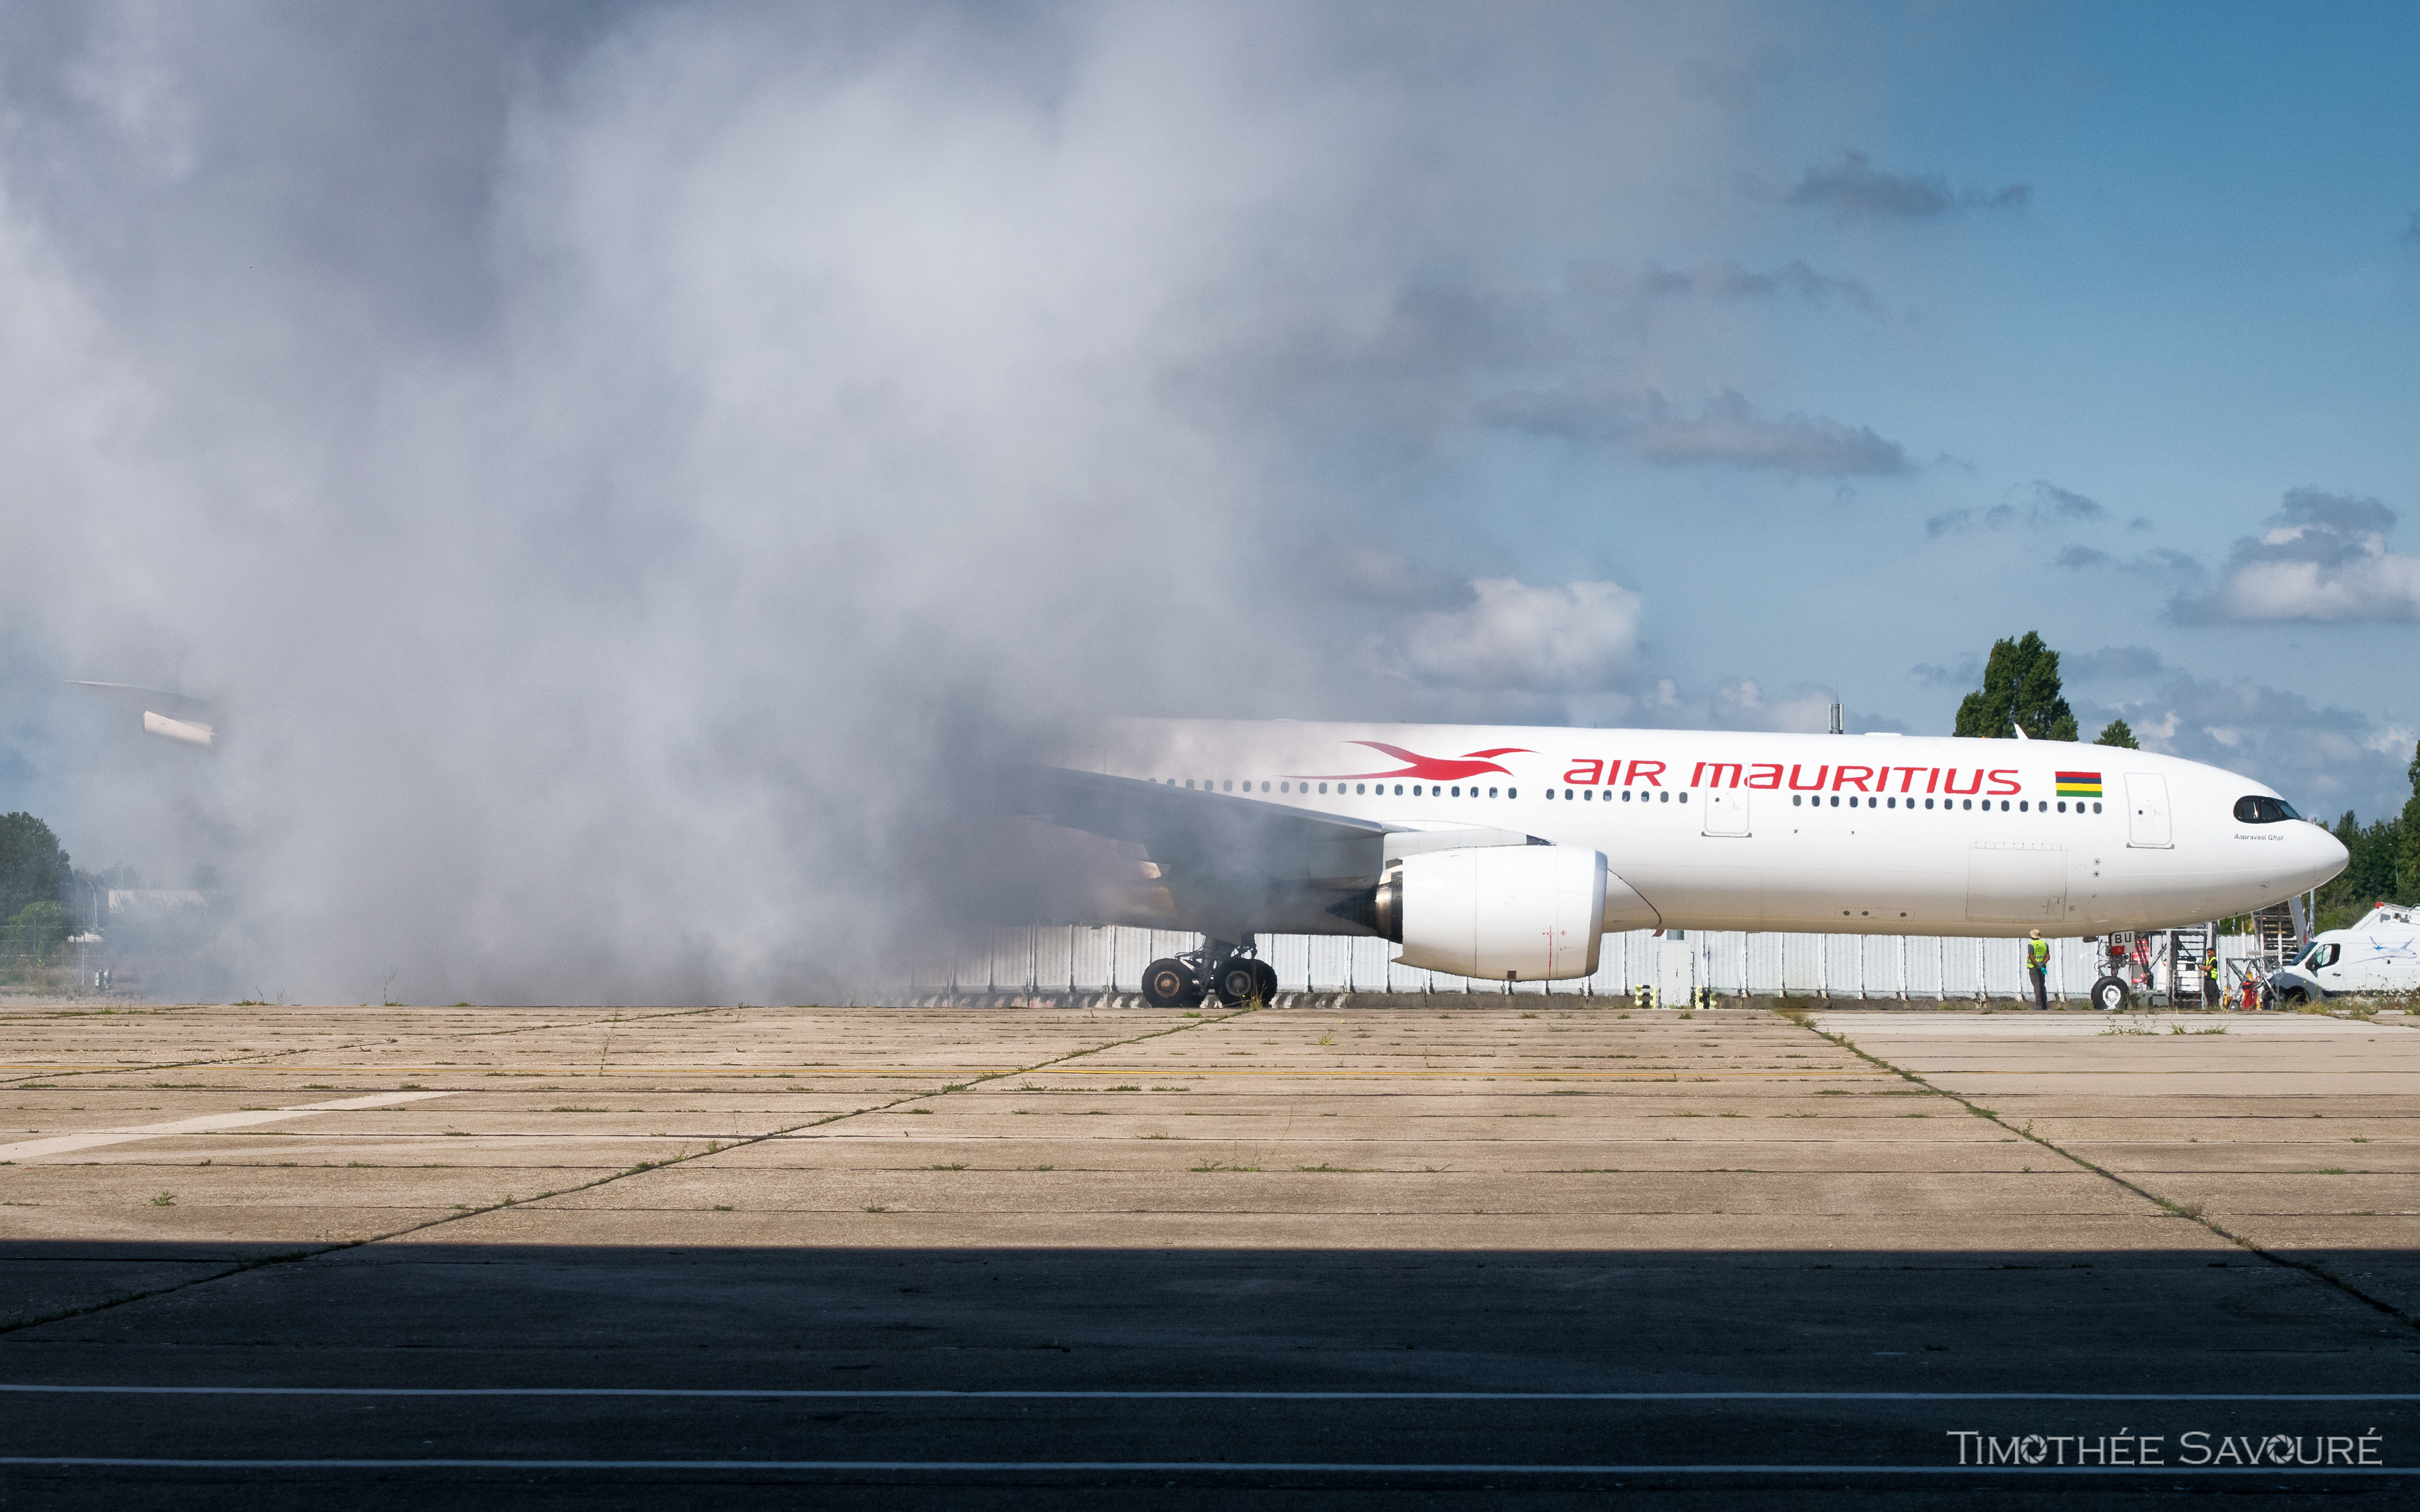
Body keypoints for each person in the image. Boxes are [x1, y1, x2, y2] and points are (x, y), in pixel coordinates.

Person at [2025, 929, 2051, 1010]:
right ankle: (2044, 1005)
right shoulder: (2045, 944)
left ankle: (2039, 1005)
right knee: (2042, 985)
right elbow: (2048, 957)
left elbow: (2031, 957)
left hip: (2034, 968)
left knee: (2037, 986)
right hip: (2043, 967)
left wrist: (2037, 965)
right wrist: (2042, 964)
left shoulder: (2031, 945)